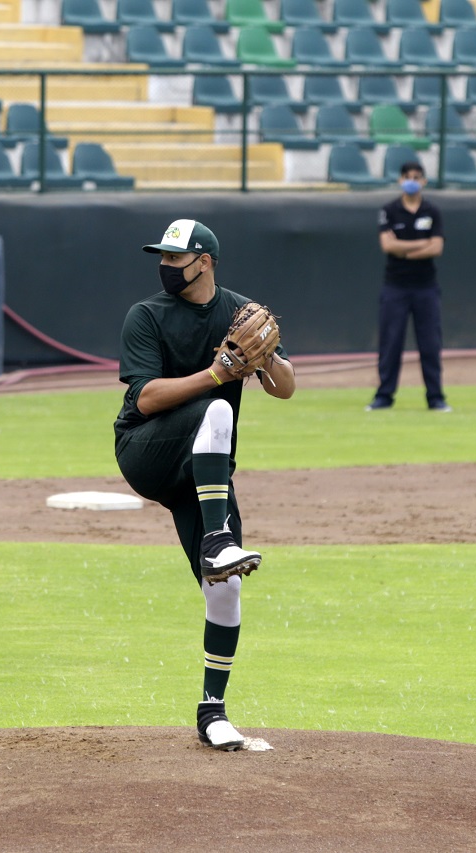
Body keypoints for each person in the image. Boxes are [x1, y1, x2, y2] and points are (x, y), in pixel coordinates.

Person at [114, 219, 295, 751]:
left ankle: (212, 711)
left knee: (228, 587)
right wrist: (219, 373)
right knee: (216, 405)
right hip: (146, 449)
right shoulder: (146, 315)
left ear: (206, 262)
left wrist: (270, 358)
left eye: (176, 258)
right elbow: (144, 399)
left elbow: (285, 389)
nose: (166, 267)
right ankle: (217, 542)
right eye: (163, 259)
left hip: (205, 470)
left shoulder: (240, 313)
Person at [367, 161, 449, 412]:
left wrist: (404, 247)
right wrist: (421, 246)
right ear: (400, 180)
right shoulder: (389, 210)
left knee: (430, 344)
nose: (412, 180)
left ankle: (436, 398)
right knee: (390, 343)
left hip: (426, 287)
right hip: (396, 287)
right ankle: (384, 396)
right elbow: (387, 246)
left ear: (424, 181)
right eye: (407, 176)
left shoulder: (431, 211)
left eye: (417, 176)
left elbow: (437, 248)